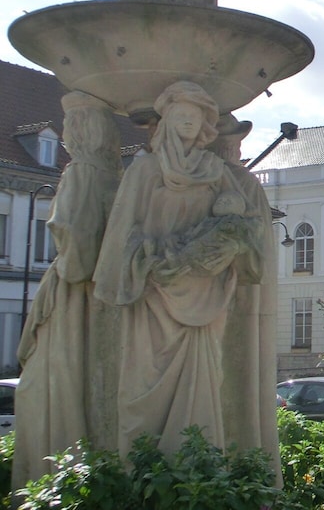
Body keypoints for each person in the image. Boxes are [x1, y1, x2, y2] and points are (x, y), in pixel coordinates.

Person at [93, 81, 276, 464]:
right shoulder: (144, 170)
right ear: (169, 120)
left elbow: (244, 227)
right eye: (183, 114)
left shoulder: (216, 172)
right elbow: (122, 235)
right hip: (154, 293)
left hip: (205, 295)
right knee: (140, 388)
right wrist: (152, 259)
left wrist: (226, 247)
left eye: (199, 115)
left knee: (203, 387)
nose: (191, 121)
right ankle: (138, 481)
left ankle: (199, 477)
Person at [13, 91, 123, 488]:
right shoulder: (114, 177)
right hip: (102, 299)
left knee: (49, 385)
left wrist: (62, 265)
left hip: (72, 298)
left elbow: (76, 258)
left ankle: (53, 478)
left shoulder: (80, 173)